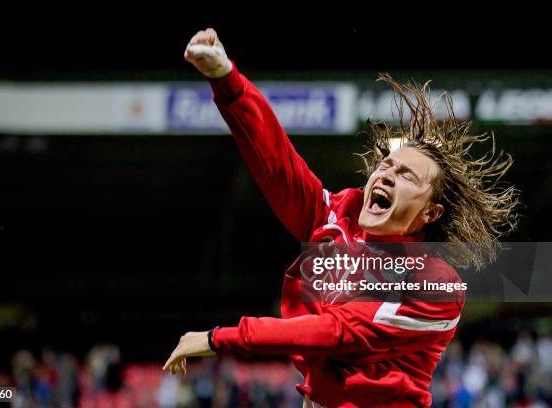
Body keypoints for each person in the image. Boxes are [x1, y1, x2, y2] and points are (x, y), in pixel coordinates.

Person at [163, 28, 520, 407]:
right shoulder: (339, 216)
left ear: (430, 213)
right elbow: (278, 166)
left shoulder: (435, 284)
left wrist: (219, 338)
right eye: (386, 165)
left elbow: (338, 331)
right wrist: (227, 81)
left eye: (406, 175)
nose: (385, 174)